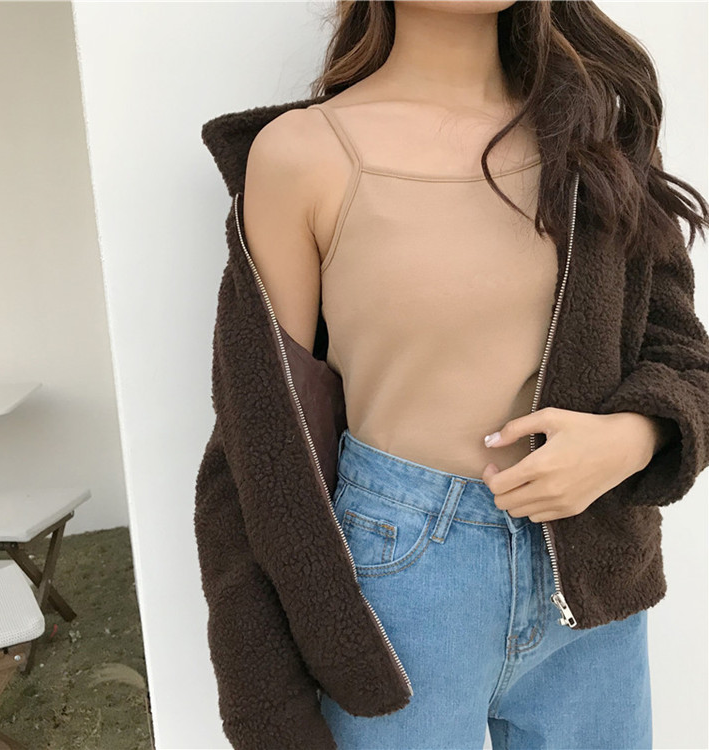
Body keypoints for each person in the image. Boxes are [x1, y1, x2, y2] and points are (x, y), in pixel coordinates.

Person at [194, 2, 709, 748]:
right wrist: (268, 710)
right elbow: (259, 446)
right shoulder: (303, 155)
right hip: (398, 593)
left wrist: (632, 439)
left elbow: (683, 354)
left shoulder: (595, 129)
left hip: (593, 578)